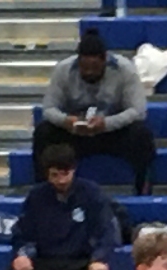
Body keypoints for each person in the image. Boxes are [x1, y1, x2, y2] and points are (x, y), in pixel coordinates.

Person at [35, 29, 156, 196]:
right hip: (75, 133)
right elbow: (48, 108)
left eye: (95, 68)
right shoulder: (63, 70)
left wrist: (107, 123)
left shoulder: (125, 70)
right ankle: (43, 191)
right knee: (44, 132)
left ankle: (143, 190)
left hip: (112, 133)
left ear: (105, 60)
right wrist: (66, 121)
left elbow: (138, 110)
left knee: (141, 134)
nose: (89, 72)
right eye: (85, 68)